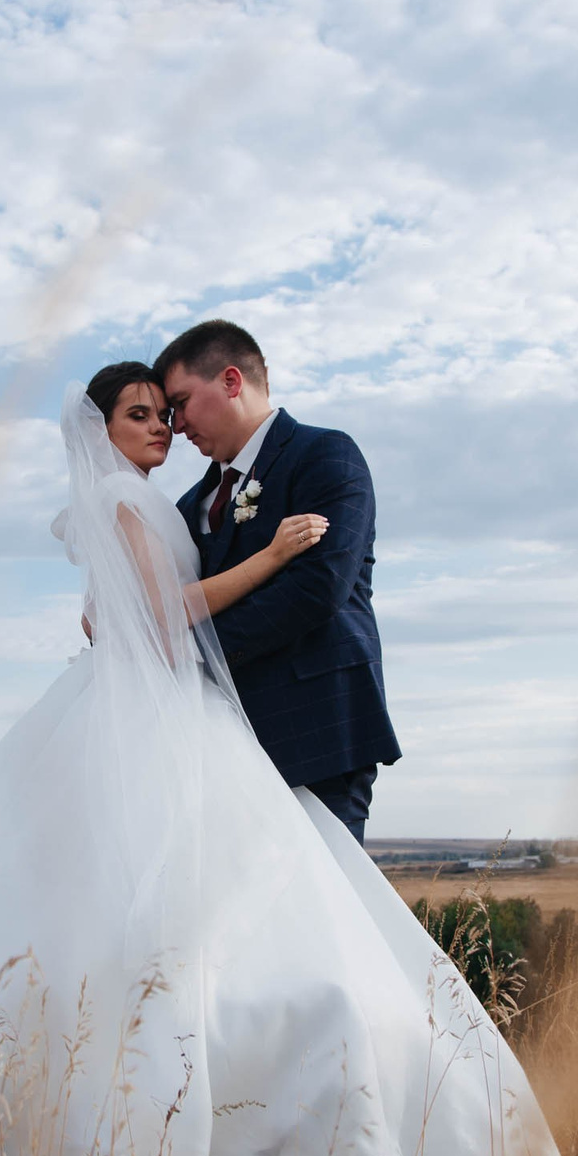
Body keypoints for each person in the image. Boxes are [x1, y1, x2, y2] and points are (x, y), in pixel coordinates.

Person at [0, 363, 563, 1156]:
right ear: (100, 431)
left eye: (164, 414)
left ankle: (204, 1118)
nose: (161, 428)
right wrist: (274, 554)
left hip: (161, 704)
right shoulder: (127, 504)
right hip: (155, 712)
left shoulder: (149, 505)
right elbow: (165, 610)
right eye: (140, 415)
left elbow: (114, 615)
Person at [158, 321, 397, 842]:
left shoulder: (325, 456)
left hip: (317, 736)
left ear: (229, 380)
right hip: (218, 749)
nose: (175, 426)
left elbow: (319, 588)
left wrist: (195, 650)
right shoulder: (186, 507)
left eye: (180, 402)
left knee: (329, 912)